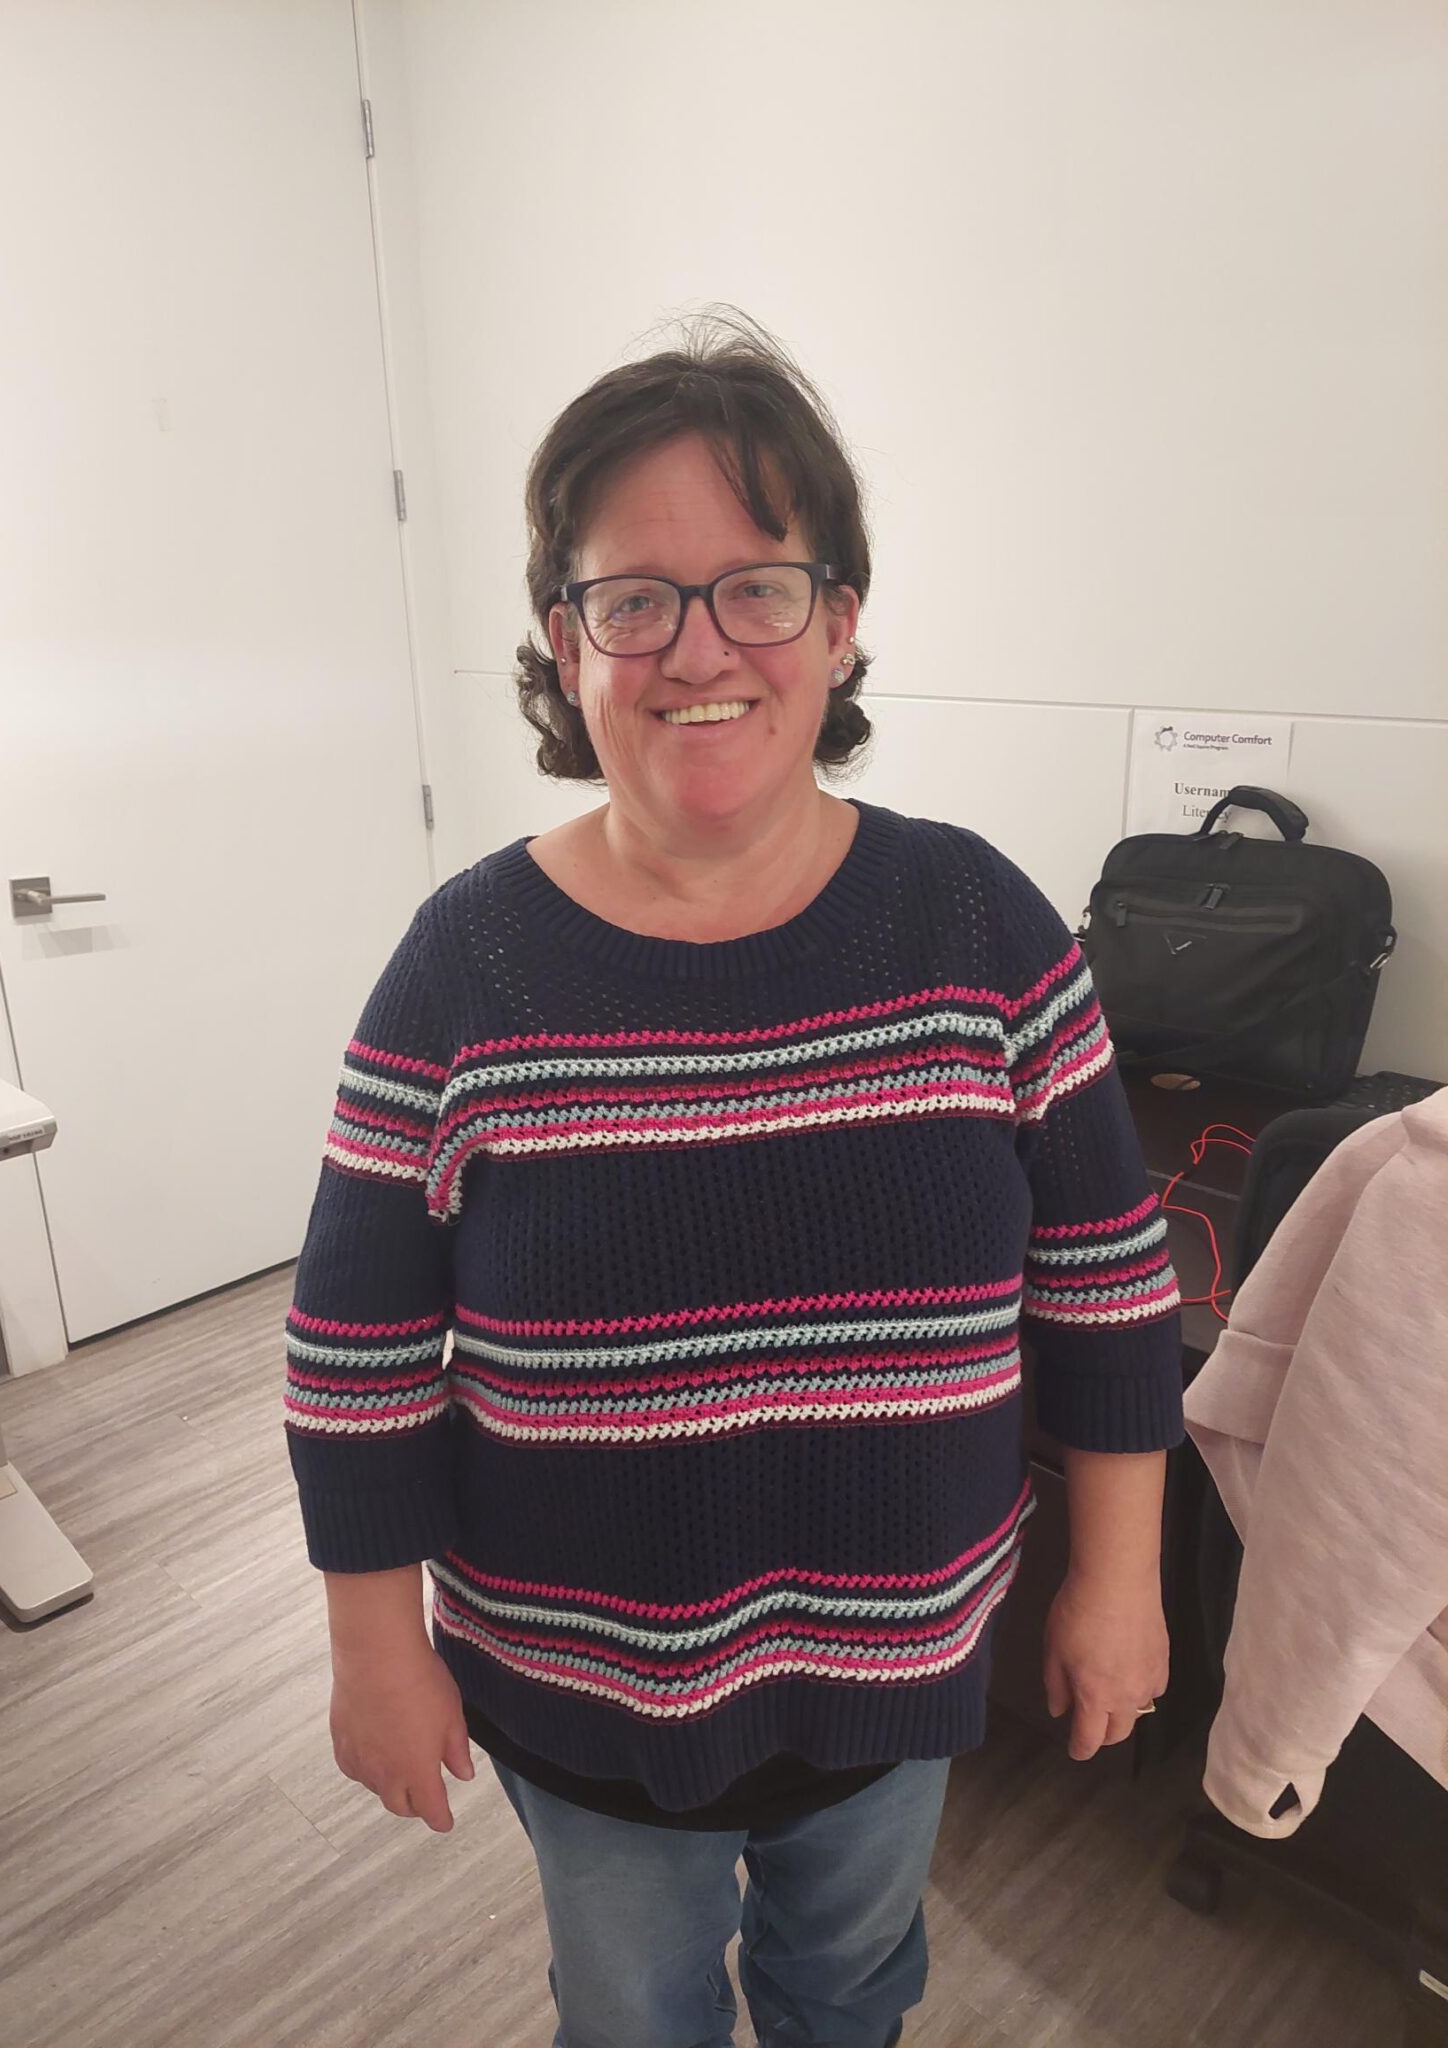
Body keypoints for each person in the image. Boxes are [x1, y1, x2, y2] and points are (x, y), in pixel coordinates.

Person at [283, 309, 1183, 2048]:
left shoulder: (979, 924)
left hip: (903, 1671)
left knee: (850, 1987)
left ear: (840, 623)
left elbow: (1109, 1290)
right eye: (634, 598)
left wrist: (1119, 1575)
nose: (702, 648)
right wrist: (373, 1648)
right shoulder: (470, 966)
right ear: (566, 641)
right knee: (633, 2016)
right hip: (582, 1698)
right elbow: (357, 1355)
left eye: (761, 585)